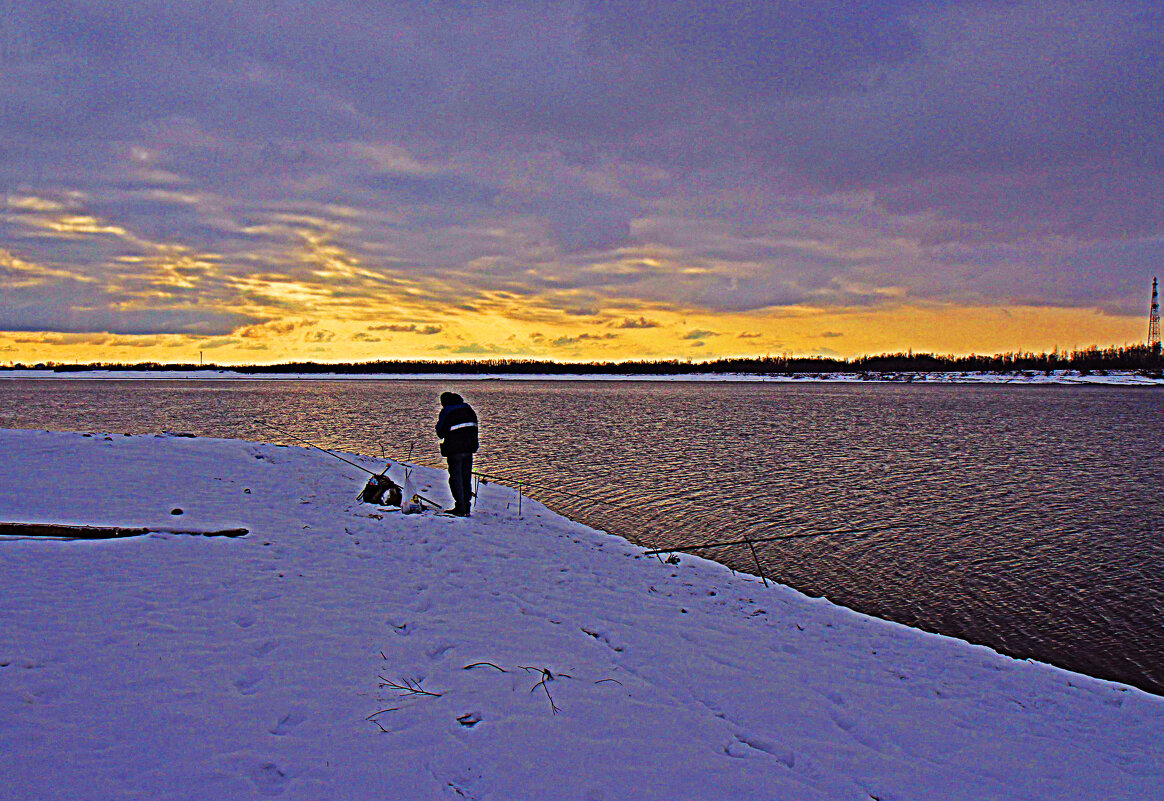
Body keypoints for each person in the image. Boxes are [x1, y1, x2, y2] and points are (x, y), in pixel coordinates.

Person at [435, 391, 479, 516]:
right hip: (469, 449)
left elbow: (440, 432)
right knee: (466, 478)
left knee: (456, 478)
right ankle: (466, 507)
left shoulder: (447, 412)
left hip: (454, 450)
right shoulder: (469, 411)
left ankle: (460, 508)